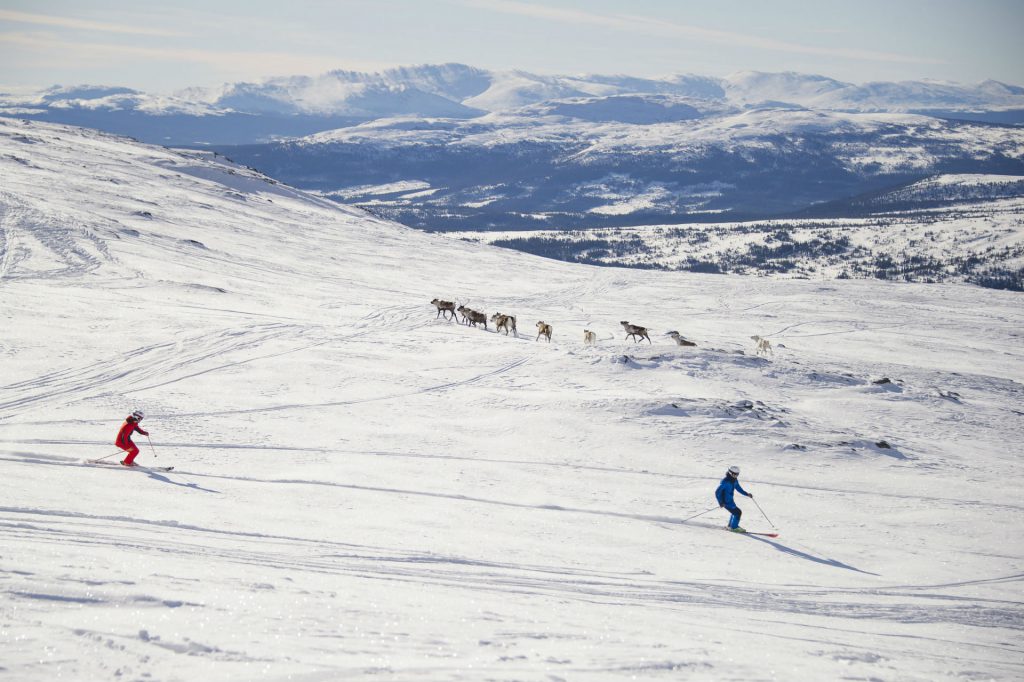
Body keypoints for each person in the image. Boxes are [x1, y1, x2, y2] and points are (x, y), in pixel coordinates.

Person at [715, 465, 753, 532]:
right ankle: (734, 527)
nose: (736, 476)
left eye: (737, 474)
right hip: (725, 502)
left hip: (730, 501)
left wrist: (747, 494)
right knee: (738, 512)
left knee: (734, 512)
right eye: (734, 474)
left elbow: (738, 488)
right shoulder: (725, 482)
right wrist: (721, 502)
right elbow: (717, 492)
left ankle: (731, 526)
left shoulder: (734, 480)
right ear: (730, 473)